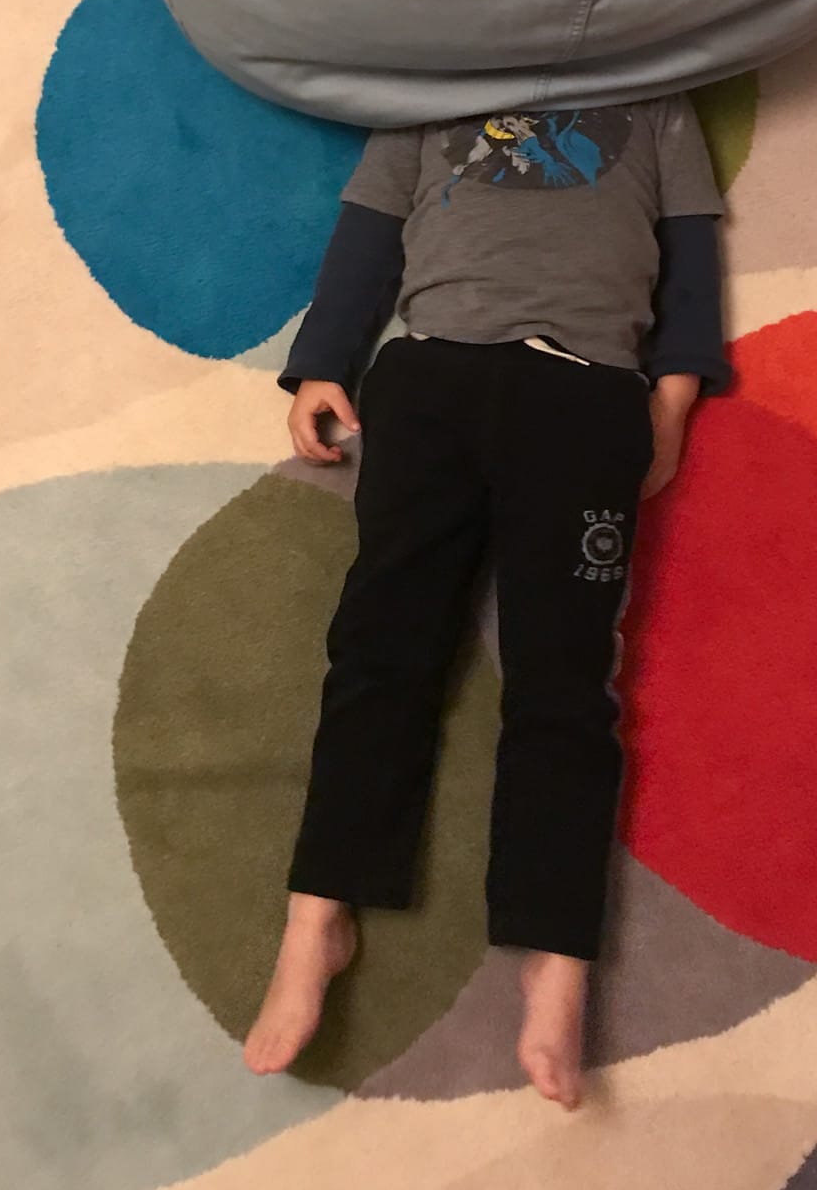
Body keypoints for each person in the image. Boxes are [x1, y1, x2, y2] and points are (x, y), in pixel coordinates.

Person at [243, 100, 730, 1108]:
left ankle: (556, 951)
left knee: (566, 682)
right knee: (379, 652)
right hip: (432, 376)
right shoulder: (430, 92)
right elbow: (369, 232)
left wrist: (673, 399)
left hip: (587, 392)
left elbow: (689, 252)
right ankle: (318, 911)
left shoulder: (657, 103)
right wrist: (324, 358)